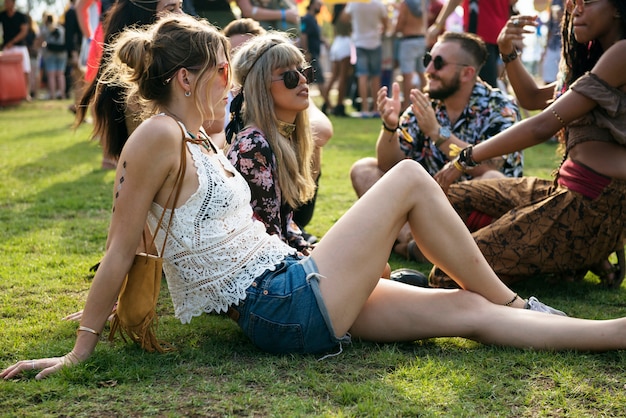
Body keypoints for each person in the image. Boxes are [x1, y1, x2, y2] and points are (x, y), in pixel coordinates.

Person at [19, 13, 626, 383]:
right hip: (280, 303)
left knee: (463, 313)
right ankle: (516, 302)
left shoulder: (200, 137)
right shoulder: (158, 134)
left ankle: (612, 333)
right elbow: (120, 246)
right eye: (221, 72)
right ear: (186, 78)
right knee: (411, 180)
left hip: (294, 282)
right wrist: (81, 350)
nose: (228, 83)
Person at [428, 0, 626, 289]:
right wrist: (507, 50)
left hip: (590, 207)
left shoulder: (622, 52)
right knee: (447, 200)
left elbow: (542, 125)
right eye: (573, 2)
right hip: (563, 192)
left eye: (588, 2)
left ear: (618, 8)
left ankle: (573, 251)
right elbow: (532, 98)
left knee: (447, 273)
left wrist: (464, 159)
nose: (575, 10)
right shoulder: (595, 55)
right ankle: (565, 254)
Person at [351, 31, 523, 262]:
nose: (429, 69)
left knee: (492, 178)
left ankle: (415, 245)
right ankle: (416, 243)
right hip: (425, 209)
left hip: (473, 212)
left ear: (467, 73)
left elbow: (489, 167)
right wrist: (390, 127)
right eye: (427, 60)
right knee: (364, 169)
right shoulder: (425, 104)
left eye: (438, 63)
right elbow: (388, 165)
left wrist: (438, 133)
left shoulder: (500, 108)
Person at [75, 0, 183, 170]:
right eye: (171, 8)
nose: (181, 16)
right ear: (145, 15)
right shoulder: (140, 79)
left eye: (180, 7)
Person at [426, 0, 512, 89]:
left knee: (479, 86)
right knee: (489, 84)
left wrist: (438, 25)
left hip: (479, 32)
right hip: (499, 31)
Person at [341, 0, 388, 117]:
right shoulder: (378, 4)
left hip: (359, 43)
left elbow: (344, 19)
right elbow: (386, 23)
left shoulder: (354, 3)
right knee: (375, 76)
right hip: (375, 42)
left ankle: (365, 109)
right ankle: (376, 109)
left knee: (362, 76)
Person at [394, 0, 428, 109]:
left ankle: (405, 105)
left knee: (407, 74)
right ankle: (426, 102)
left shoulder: (405, 4)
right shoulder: (423, 3)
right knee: (422, 73)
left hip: (408, 40)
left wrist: (394, 30)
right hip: (421, 39)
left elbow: (400, 24)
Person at [320, 3, 352, 117]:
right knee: (343, 77)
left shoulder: (335, 15)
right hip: (345, 45)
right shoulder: (346, 13)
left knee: (334, 76)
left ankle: (326, 102)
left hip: (336, 44)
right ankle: (339, 105)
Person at [0, 0, 32, 101]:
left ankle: (26, 94)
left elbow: (24, 31)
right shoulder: (2, 16)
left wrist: (13, 41)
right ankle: (8, 94)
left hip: (19, 46)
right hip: (6, 47)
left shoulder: (21, 16)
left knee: (25, 70)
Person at [299, 0, 326, 94]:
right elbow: (303, 35)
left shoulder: (314, 20)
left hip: (315, 53)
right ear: (311, 5)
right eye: (318, 4)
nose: (320, 7)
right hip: (311, 55)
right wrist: (306, 53)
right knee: (320, 80)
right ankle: (329, 106)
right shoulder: (306, 19)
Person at [40, 13, 68, 100]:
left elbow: (41, 40)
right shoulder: (61, 28)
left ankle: (52, 95)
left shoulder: (45, 29)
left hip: (50, 53)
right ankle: (62, 94)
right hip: (62, 53)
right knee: (60, 75)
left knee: (51, 75)